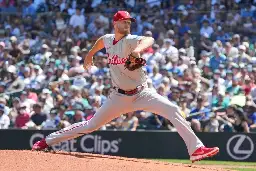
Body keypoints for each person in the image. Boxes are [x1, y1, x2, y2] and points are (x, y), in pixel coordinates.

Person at [32, 11, 219, 163]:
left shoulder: (130, 40)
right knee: (91, 125)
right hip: (118, 97)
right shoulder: (107, 39)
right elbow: (99, 43)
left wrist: (137, 51)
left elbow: (149, 40)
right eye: (124, 21)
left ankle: (196, 149)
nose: (127, 24)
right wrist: (89, 55)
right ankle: (46, 141)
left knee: (173, 109)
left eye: (129, 21)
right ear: (115, 23)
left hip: (143, 93)